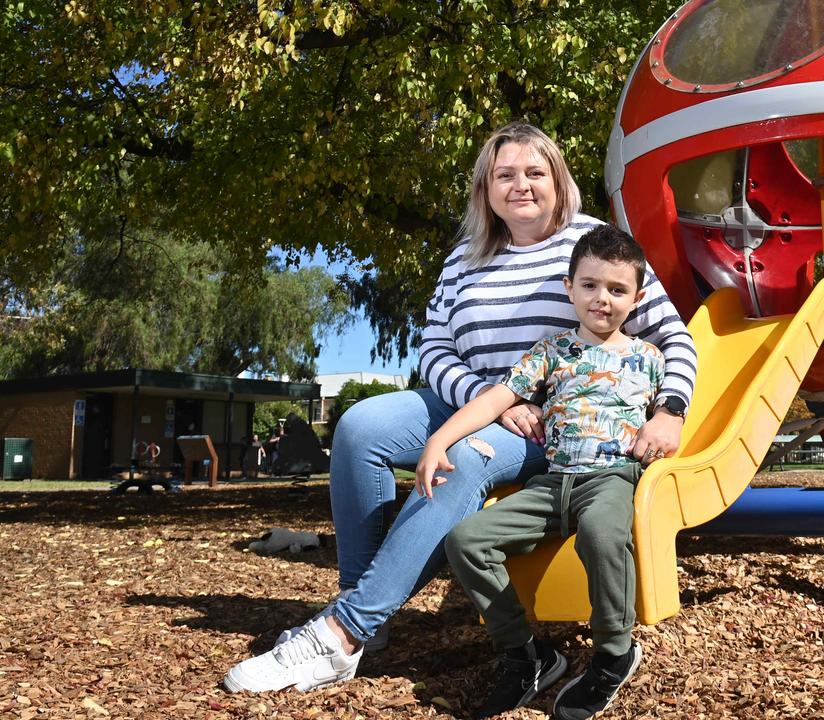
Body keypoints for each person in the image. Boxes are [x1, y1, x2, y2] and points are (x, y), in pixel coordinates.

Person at [223, 122, 697, 693]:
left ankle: (342, 633)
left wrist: (669, 410)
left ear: (557, 179)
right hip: (473, 397)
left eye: (533, 173)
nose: (519, 186)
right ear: (486, 188)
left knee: (463, 460)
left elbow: (674, 338)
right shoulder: (464, 258)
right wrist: (481, 399)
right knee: (358, 426)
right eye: (504, 175)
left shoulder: (592, 244)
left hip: (545, 419)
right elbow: (434, 348)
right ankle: (364, 604)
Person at [428, 225, 665, 719]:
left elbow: (672, 420)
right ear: (570, 287)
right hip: (553, 483)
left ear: (637, 297)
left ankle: (614, 653)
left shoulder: (649, 358)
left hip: (611, 479)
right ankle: (526, 655)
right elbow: (495, 398)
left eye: (617, 290)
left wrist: (669, 426)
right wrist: (439, 439)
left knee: (601, 535)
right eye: (591, 286)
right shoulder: (550, 352)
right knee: (466, 541)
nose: (603, 299)